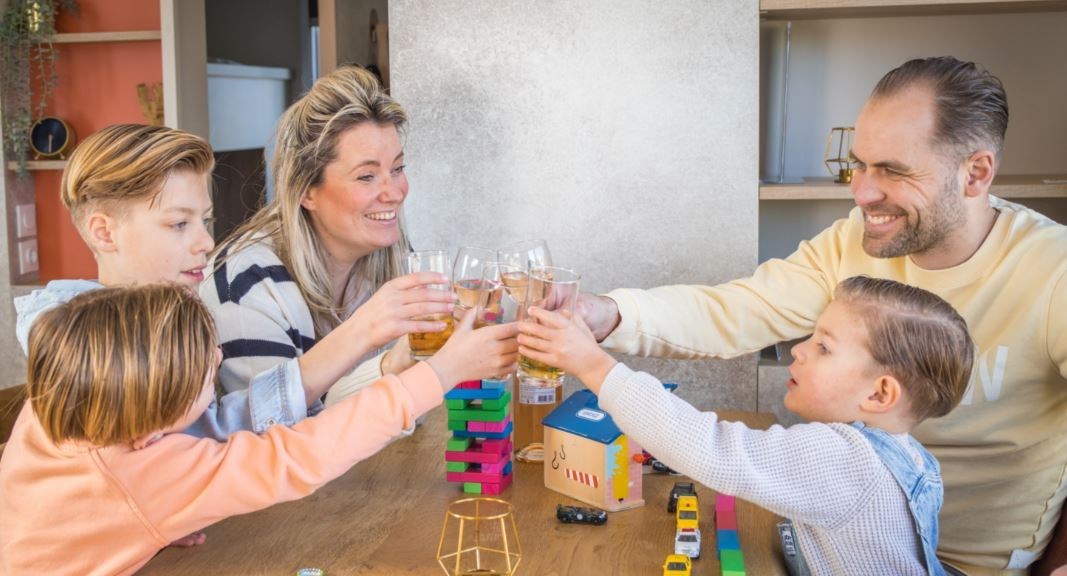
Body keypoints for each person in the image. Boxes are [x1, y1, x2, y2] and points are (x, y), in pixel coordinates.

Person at [579, 56, 1067, 574]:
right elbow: (737, 309)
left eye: (893, 171)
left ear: (975, 172)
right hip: (836, 547)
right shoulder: (851, 240)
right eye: (859, 164)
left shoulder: (1053, 269)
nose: (861, 193)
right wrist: (605, 314)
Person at [0, 284, 516, 575]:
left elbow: (84, 515)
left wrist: (141, 523)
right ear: (149, 425)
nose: (220, 359)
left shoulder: (54, 407)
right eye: (208, 373)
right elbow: (302, 457)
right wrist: (440, 373)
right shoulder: (146, 474)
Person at [521, 276, 972, 574]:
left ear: (879, 394)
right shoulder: (908, 454)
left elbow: (708, 447)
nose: (798, 351)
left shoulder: (843, 458)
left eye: (824, 348)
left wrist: (594, 366)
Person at [12, 124, 306, 443]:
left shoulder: (183, 310)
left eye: (205, 221)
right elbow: (210, 439)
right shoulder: (77, 345)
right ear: (105, 233)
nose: (206, 242)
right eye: (179, 224)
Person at [202, 65, 452, 409]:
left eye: (397, 169)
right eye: (366, 176)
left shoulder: (391, 255)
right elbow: (273, 436)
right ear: (306, 190)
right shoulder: (247, 283)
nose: (394, 192)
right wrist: (381, 354)